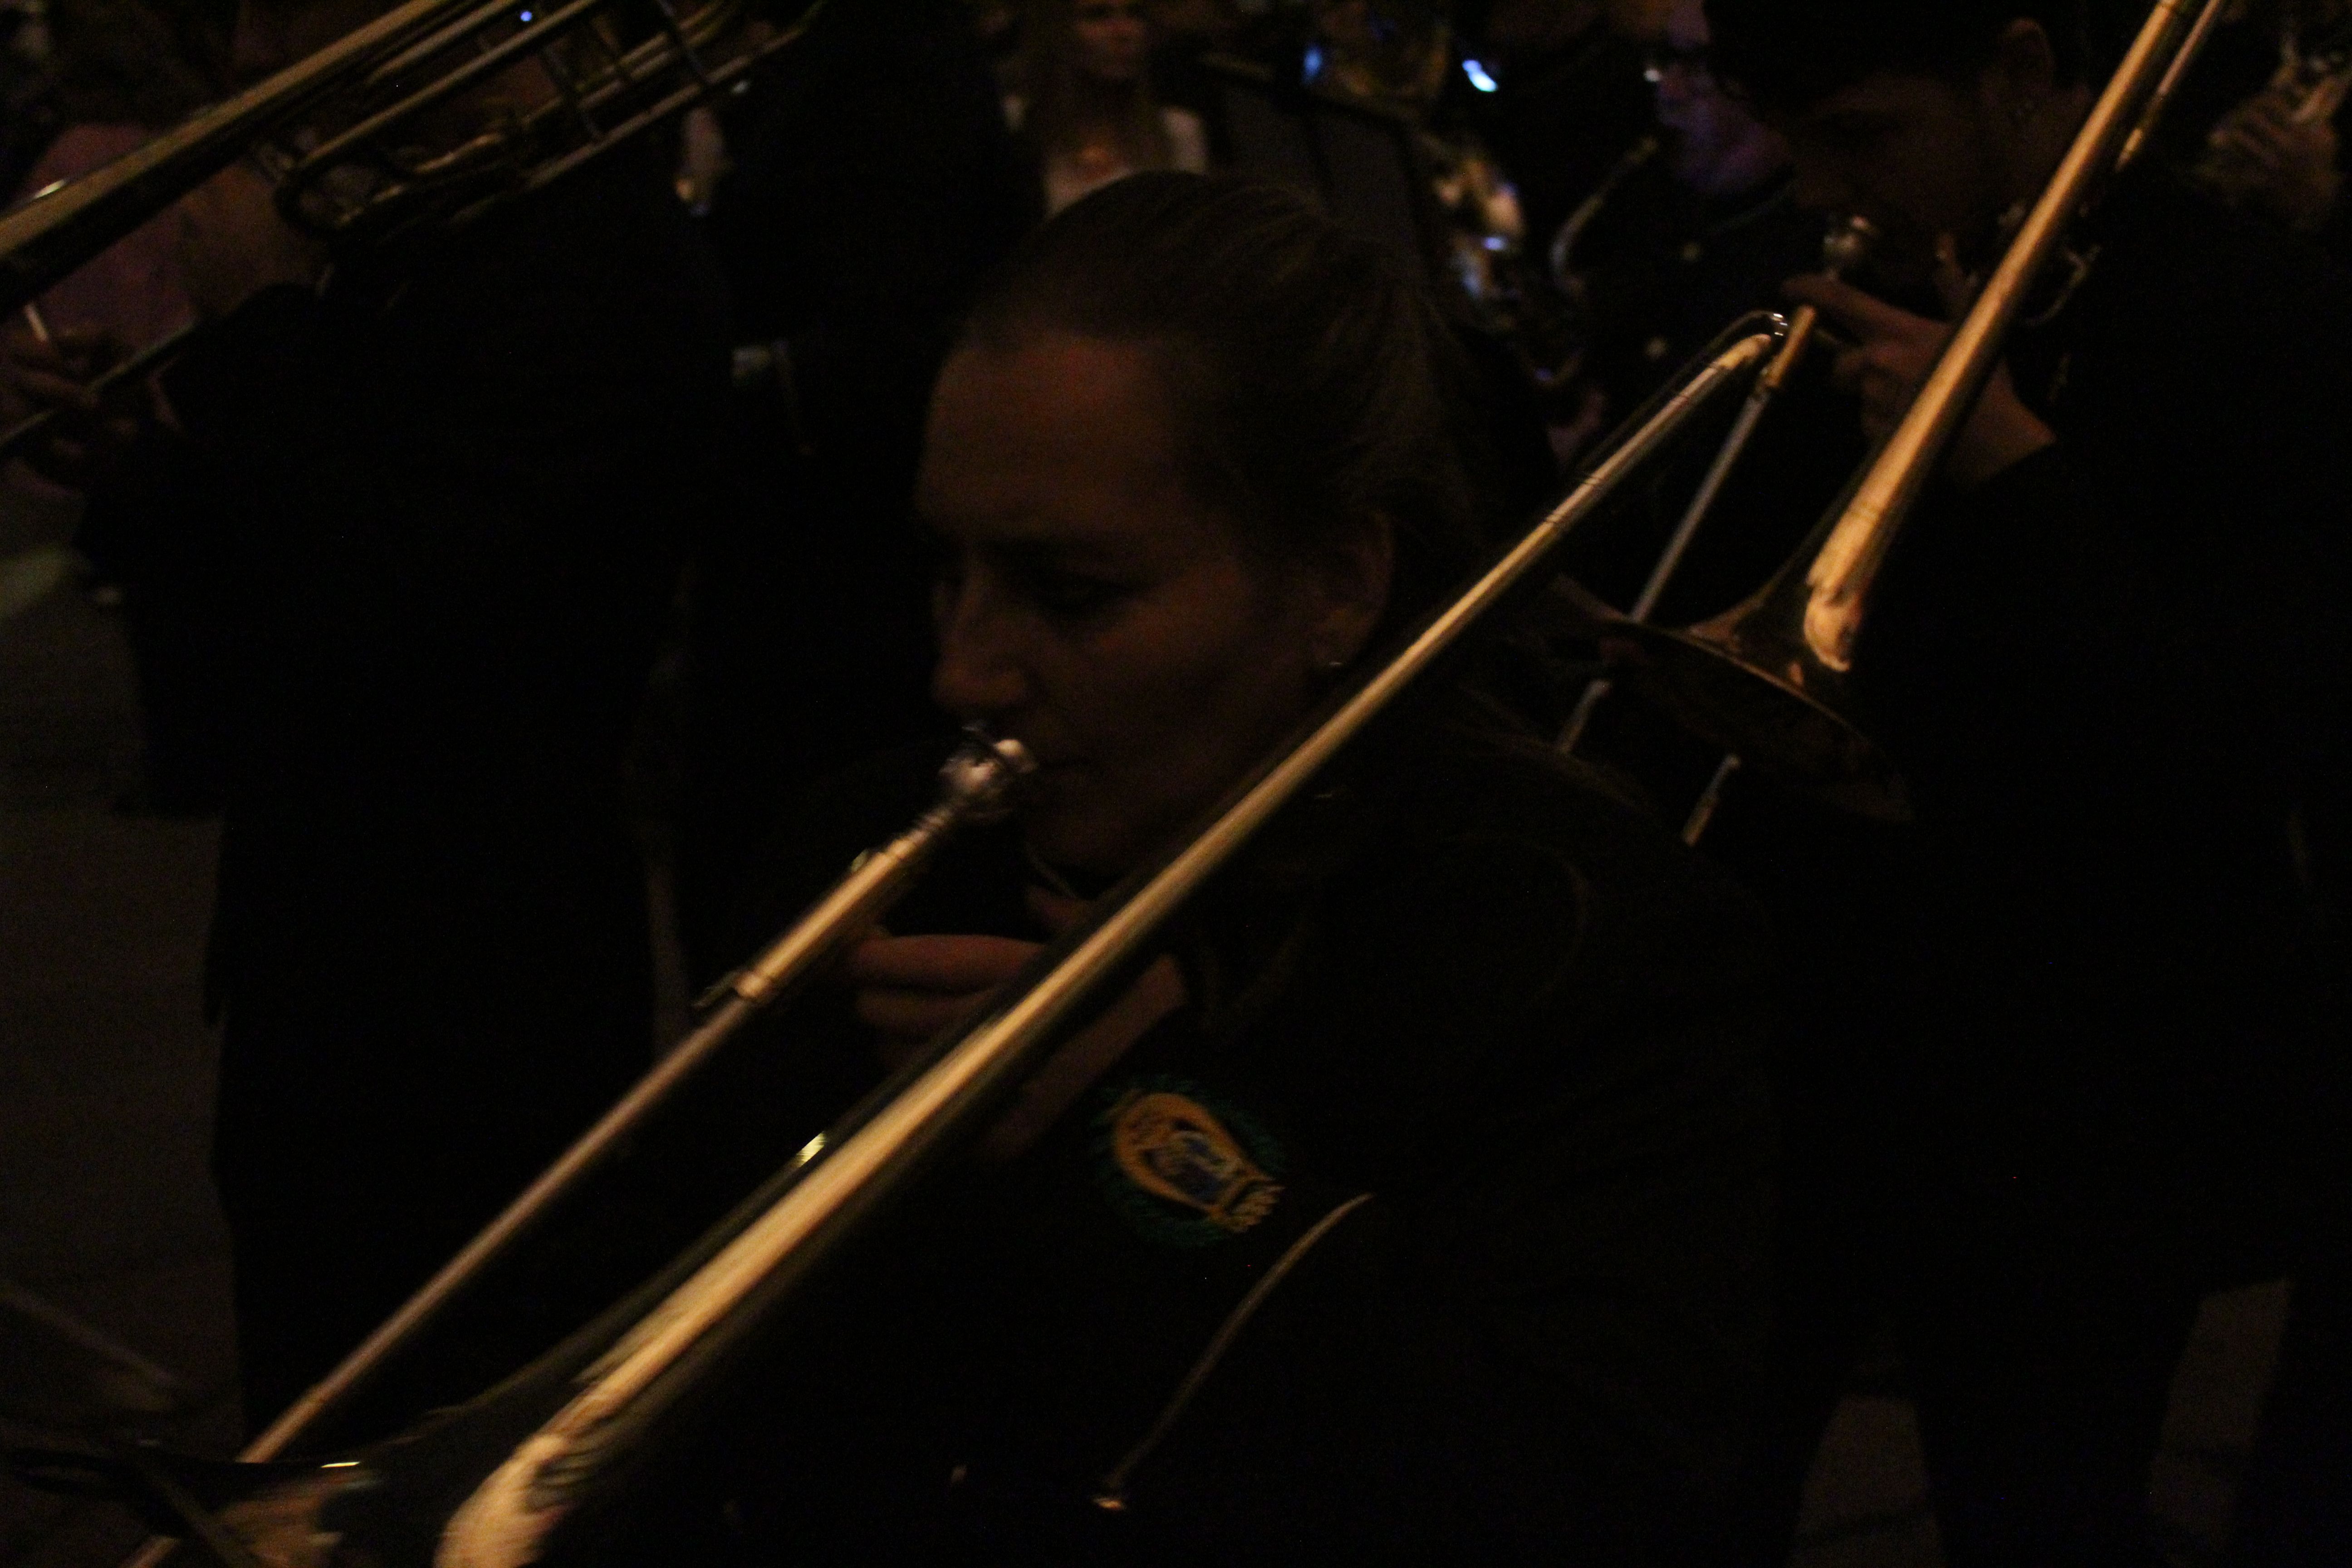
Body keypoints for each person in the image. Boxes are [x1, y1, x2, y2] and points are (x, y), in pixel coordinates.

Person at [635, 172, 1781, 1564]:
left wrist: (1144, 1152)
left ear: (1339, 584)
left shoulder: (1581, 935)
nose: (964, 670)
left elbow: (1593, 1496)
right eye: (951, 571)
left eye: (1073, 595)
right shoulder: (867, 857)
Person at [1684, 1, 2352, 1563]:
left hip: (2082, 1065)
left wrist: (2015, 471)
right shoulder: (1820, 273)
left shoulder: (2256, 318)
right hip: (1816, 1009)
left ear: (2026, 71)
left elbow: (2241, 749)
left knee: (2034, 1496)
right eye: (1793, 139)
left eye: (1863, 137)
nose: (1821, 186)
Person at [3, 0, 729, 1431]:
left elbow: (426, 637)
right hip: (315, 953)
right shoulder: (403, 227)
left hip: (480, 997)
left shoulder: (603, 259)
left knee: (424, 1407)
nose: (252, 56)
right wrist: (129, 474)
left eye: (291, 6)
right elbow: (277, 589)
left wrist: (267, 319)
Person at [1007, 0, 1209, 216]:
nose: (1124, 31)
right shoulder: (1019, 132)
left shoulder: (1178, 132)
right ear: (1057, 30)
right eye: (1098, 15)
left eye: (1134, 13)